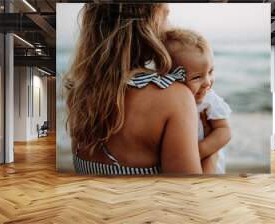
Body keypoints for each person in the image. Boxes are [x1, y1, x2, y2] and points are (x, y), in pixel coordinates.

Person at [65, 3, 202, 175]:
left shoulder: (78, 91)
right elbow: (185, 192)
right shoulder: (175, 98)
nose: (170, 27)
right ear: (144, 25)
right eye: (165, 16)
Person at [164, 28, 232, 174]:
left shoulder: (209, 100)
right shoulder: (167, 101)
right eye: (196, 77)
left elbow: (224, 131)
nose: (207, 82)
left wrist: (200, 151)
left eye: (211, 72)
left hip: (209, 167)